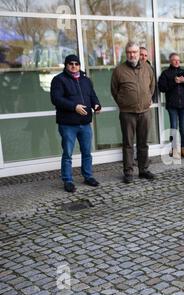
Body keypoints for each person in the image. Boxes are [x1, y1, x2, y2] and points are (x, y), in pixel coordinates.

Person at [50, 54, 101, 192]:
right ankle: (68, 180)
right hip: (68, 125)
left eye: (76, 64)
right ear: (66, 65)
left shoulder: (86, 80)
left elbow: (92, 96)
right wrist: (74, 107)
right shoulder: (58, 80)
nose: (74, 66)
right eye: (71, 63)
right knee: (67, 154)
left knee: (87, 152)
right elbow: (56, 99)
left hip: (85, 124)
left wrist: (97, 105)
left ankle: (88, 176)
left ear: (79, 65)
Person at [111, 41, 156, 184]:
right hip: (127, 113)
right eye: (130, 52)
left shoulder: (147, 67)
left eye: (135, 52)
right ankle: (128, 172)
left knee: (143, 143)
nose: (132, 55)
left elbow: (152, 86)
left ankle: (143, 170)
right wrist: (124, 103)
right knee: (128, 144)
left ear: (138, 53)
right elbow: (114, 90)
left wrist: (147, 99)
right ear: (126, 53)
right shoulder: (119, 70)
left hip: (144, 112)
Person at [158, 53, 184, 158]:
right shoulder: (165, 73)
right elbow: (162, 88)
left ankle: (183, 149)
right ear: (170, 61)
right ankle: (174, 150)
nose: (177, 61)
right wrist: (174, 82)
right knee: (174, 127)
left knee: (183, 128)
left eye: (178, 60)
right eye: (174, 60)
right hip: (172, 105)